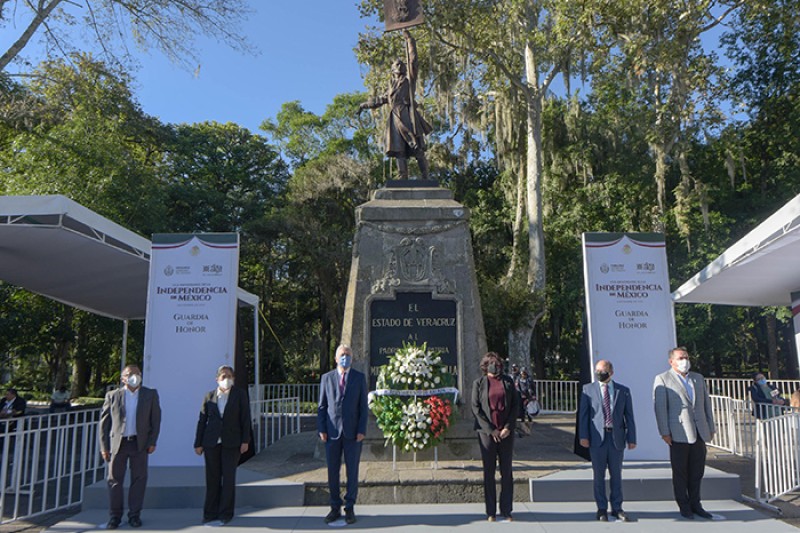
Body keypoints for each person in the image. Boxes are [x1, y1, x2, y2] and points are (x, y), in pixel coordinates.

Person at [358, 29, 432, 180]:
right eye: (397, 65)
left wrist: (410, 40)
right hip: (395, 118)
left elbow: (413, 60)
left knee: (417, 148)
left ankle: (425, 176)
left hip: (408, 115)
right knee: (398, 149)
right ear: (392, 70)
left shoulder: (409, 80)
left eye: (401, 65)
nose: (400, 66)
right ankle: (402, 175)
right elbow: (379, 100)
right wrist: (363, 105)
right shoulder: (390, 87)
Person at [653, 347, 715, 520]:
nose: (684, 361)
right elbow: (660, 408)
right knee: (681, 472)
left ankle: (696, 504)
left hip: (700, 432)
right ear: (671, 361)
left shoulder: (698, 378)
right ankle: (684, 505)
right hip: (678, 433)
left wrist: (711, 427)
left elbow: (706, 405)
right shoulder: (663, 379)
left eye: (686, 357)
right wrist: (664, 432)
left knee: (697, 472)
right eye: (680, 358)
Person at [99, 365, 162, 529]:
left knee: (139, 479)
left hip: (139, 443)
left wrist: (152, 441)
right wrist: (104, 446)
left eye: (137, 373)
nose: (134, 376)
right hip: (118, 444)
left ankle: (134, 515)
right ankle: (115, 516)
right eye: (129, 374)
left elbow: (156, 420)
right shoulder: (113, 395)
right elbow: (104, 424)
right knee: (114, 480)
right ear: (123, 378)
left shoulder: (150, 394)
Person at [579, 360, 636, 522]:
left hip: (616, 438)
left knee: (616, 474)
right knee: (599, 475)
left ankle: (617, 508)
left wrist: (632, 438)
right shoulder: (588, 390)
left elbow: (629, 416)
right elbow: (583, 416)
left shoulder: (623, 391)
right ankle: (601, 508)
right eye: (597, 370)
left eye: (602, 371)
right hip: (597, 438)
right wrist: (583, 436)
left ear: (611, 372)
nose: (599, 373)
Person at [317, 344, 368, 525]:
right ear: (336, 358)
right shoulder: (327, 378)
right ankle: (334, 506)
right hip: (331, 433)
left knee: (352, 471)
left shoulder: (359, 378)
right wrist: (321, 429)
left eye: (348, 354)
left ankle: (350, 507)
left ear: (351, 358)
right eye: (342, 354)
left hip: (353, 433)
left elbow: (363, 407)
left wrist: (362, 430)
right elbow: (322, 406)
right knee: (332, 471)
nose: (345, 357)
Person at [194, 365, 251, 526]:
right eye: (223, 376)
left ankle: (226, 513)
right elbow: (202, 420)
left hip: (232, 443)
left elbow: (245, 418)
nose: (227, 379)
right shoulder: (209, 396)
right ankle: (209, 513)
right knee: (212, 478)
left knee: (228, 478)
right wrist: (198, 443)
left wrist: (245, 441)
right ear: (217, 379)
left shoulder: (239, 395)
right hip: (211, 443)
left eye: (229, 376)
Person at [471, 352, 520, 522]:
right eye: (492, 363)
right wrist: (491, 430)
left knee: (506, 471)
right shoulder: (479, 383)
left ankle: (506, 510)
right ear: (485, 366)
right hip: (487, 433)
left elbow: (515, 405)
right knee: (489, 471)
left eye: (497, 363)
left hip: (506, 431)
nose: (496, 366)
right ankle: (490, 511)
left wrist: (507, 427)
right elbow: (476, 409)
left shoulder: (508, 381)